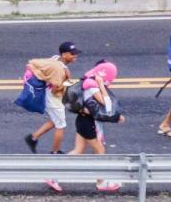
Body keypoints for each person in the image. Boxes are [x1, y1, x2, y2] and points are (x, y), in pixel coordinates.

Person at [46, 60, 125, 193]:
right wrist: (101, 85)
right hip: (89, 124)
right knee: (100, 151)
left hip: (82, 121)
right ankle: (101, 182)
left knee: (78, 151)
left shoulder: (87, 81)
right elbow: (106, 104)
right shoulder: (92, 86)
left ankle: (53, 175)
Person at [24, 41, 80, 154]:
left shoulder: (55, 58)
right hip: (52, 98)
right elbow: (55, 90)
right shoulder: (60, 70)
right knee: (61, 125)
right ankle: (55, 152)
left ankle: (33, 138)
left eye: (75, 53)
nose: (75, 56)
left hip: (46, 92)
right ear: (64, 55)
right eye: (72, 54)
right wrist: (69, 83)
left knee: (55, 121)